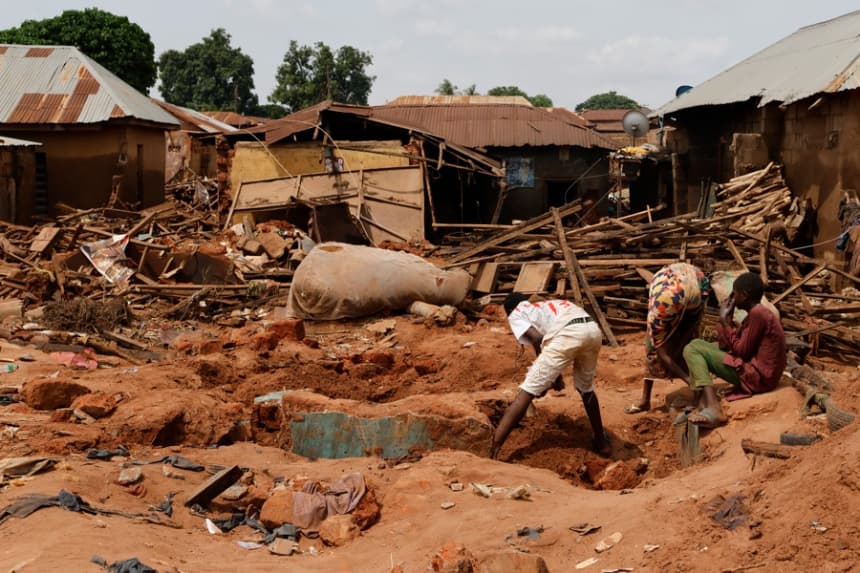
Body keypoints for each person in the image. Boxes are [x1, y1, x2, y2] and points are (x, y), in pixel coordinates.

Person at [489, 293, 610, 459]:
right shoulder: (550, 304)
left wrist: (549, 375)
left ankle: (492, 451)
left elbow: (537, 338)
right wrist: (554, 376)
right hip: (592, 331)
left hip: (567, 335)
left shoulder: (516, 313)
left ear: (509, 310)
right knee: (586, 389)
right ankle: (601, 443)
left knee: (526, 392)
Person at [681, 272, 787, 427]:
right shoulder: (755, 314)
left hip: (758, 378)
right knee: (696, 344)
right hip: (756, 372)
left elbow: (741, 351)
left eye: (734, 294)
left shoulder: (759, 314)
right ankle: (702, 401)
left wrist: (725, 323)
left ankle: (713, 407)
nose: (732, 299)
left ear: (744, 295)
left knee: (694, 349)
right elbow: (726, 345)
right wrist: (726, 319)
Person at [626, 263, 711, 414]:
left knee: (690, 345)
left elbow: (692, 323)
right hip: (672, 295)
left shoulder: (697, 294)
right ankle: (645, 401)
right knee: (652, 350)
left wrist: (683, 340)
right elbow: (662, 353)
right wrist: (688, 380)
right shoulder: (657, 315)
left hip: (692, 287)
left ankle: (699, 395)